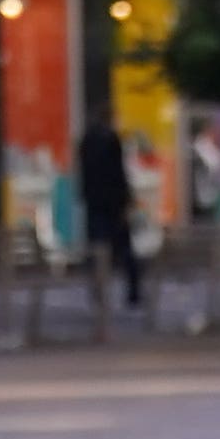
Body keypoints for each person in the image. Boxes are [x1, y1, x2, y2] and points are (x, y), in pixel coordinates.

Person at [73, 110, 141, 313]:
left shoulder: (87, 141)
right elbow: (118, 173)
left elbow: (84, 173)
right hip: (112, 203)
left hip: (95, 203)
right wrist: (125, 200)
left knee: (97, 250)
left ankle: (99, 292)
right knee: (124, 249)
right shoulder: (110, 140)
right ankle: (132, 292)